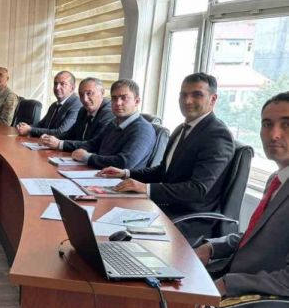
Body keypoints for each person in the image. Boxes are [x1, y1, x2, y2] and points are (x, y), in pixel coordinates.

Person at [193, 92, 289, 308]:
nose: (274, 134)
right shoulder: (277, 179)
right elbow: (254, 236)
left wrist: (227, 284)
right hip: (232, 281)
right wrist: (212, 248)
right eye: (267, 124)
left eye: (286, 124)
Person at [99, 73, 234, 241]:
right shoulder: (181, 129)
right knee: (103, 216)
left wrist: (146, 188)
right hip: (163, 208)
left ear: (213, 99)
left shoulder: (217, 135)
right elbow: (163, 171)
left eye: (197, 95)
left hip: (186, 219)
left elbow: (197, 190)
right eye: (183, 95)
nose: (187, 101)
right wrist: (126, 173)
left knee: (110, 233)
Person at [71, 79, 156, 169]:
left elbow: (124, 162)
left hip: (119, 177)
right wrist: (79, 151)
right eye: (114, 98)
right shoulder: (114, 123)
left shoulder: (143, 130)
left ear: (137, 101)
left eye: (124, 98)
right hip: (98, 172)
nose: (118, 103)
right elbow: (93, 144)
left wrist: (87, 157)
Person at [40, 77, 114, 150]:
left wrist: (60, 144)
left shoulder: (109, 113)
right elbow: (71, 134)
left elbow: (94, 144)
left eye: (89, 93)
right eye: (81, 95)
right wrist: (49, 138)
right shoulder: (83, 110)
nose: (85, 99)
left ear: (102, 92)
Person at [16, 70, 81, 138]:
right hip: (44, 142)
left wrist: (30, 129)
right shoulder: (54, 105)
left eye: (63, 84)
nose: (57, 87)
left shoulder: (76, 105)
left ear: (72, 88)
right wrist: (25, 127)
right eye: (55, 83)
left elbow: (61, 132)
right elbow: (41, 125)